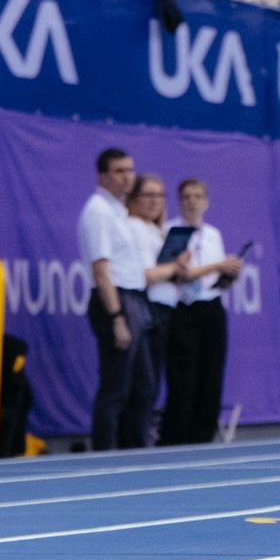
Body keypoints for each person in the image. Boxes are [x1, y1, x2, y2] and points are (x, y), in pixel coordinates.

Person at [76, 148, 158, 449]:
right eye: (119, 171)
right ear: (103, 176)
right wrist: (116, 317)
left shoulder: (120, 213)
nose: (127, 177)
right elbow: (101, 270)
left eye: (130, 170)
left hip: (135, 299)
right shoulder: (98, 211)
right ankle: (105, 457)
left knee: (143, 386)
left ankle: (134, 453)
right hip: (116, 301)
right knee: (116, 388)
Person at [161, 178, 244, 446]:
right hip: (183, 308)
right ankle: (177, 436)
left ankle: (203, 435)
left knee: (211, 373)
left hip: (211, 305)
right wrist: (218, 265)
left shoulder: (213, 234)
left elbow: (213, 279)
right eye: (186, 196)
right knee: (184, 376)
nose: (192, 201)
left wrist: (228, 273)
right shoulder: (170, 231)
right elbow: (179, 274)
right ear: (179, 201)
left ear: (206, 202)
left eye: (197, 196)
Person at [125, 174, 188, 432]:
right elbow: (144, 274)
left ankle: (142, 434)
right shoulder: (133, 227)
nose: (155, 201)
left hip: (166, 309)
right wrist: (174, 267)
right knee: (142, 381)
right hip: (148, 310)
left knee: (152, 381)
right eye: (148, 195)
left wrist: (180, 269)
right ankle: (134, 438)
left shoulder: (157, 231)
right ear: (135, 198)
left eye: (159, 196)